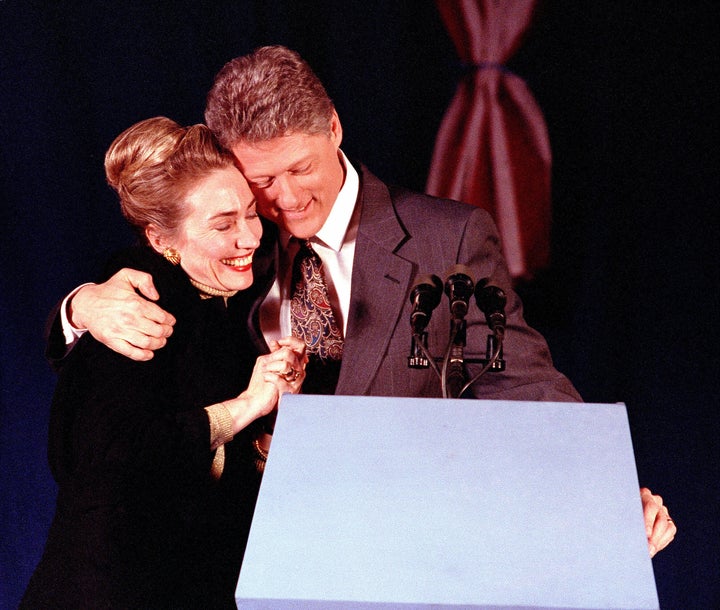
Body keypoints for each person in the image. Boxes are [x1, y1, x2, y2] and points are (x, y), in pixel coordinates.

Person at [49, 46, 675, 557]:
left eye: (300, 169)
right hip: (238, 557)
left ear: (335, 129)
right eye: (260, 180)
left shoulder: (446, 237)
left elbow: (518, 379)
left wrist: (604, 490)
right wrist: (79, 308)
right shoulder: (231, 239)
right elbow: (141, 289)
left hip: (399, 548)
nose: (284, 200)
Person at [23, 117, 306, 609]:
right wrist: (245, 406)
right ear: (160, 240)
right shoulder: (137, 308)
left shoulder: (217, 303)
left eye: (249, 214)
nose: (249, 238)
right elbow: (107, 460)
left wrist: (270, 422)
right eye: (223, 224)